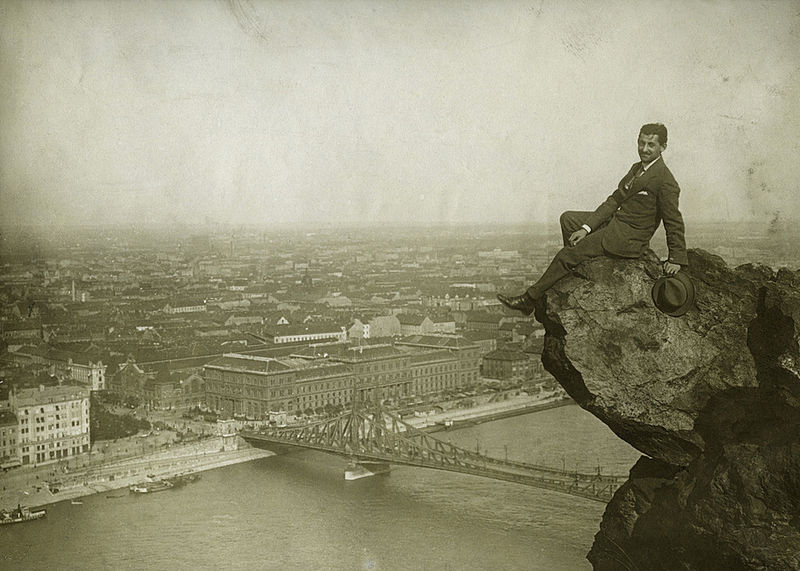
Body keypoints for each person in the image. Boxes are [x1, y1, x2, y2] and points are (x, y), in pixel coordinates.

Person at [498, 123, 687, 315]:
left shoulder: (665, 180)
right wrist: (586, 229)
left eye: (651, 145)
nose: (644, 149)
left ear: (663, 147)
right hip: (617, 223)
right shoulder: (637, 168)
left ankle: (529, 300)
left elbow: (673, 221)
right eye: (641, 143)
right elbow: (615, 200)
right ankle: (575, 271)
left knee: (567, 254)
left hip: (627, 238)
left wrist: (675, 258)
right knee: (568, 219)